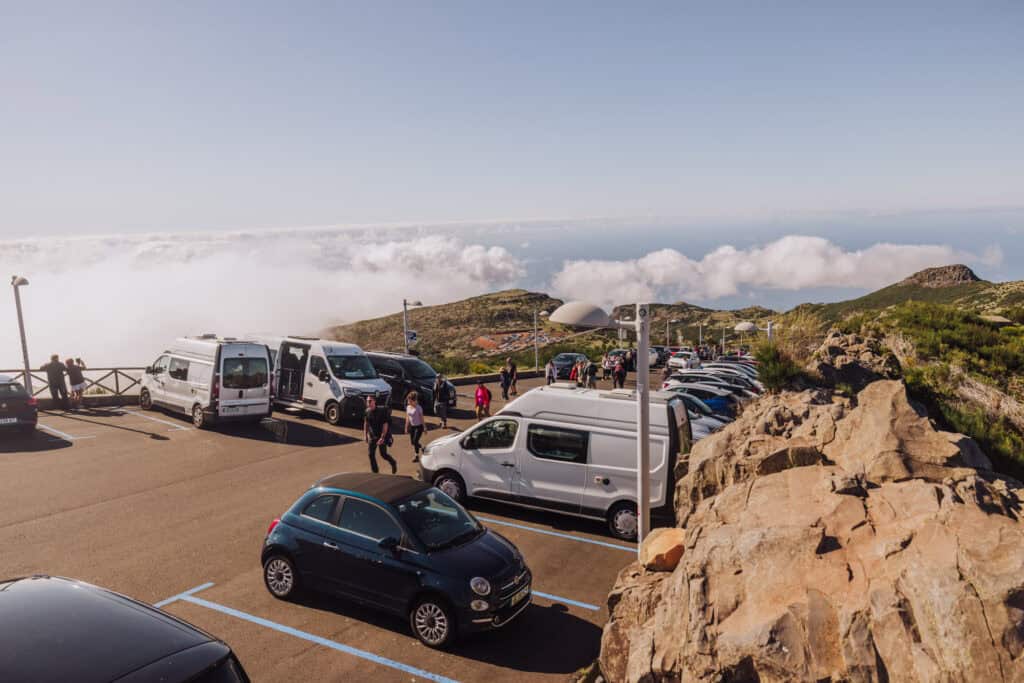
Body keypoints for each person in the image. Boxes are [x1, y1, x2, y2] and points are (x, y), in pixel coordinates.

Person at [363, 396, 397, 474]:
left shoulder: (381, 411)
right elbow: (366, 423)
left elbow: (385, 425)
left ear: (374, 401)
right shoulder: (367, 411)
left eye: (370, 401)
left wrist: (382, 437)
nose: (369, 403)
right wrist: (365, 434)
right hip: (372, 436)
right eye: (367, 401)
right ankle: (375, 472)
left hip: (381, 435)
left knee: (383, 454)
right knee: (370, 454)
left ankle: (393, 462)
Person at [405, 391, 425, 463]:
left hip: (419, 427)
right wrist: (406, 427)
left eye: (409, 400)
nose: (408, 401)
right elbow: (407, 417)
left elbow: (422, 418)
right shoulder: (408, 407)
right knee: (413, 442)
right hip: (412, 427)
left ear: (413, 401)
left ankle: (416, 456)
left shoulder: (419, 408)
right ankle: (422, 447)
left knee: (415, 441)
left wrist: (424, 427)